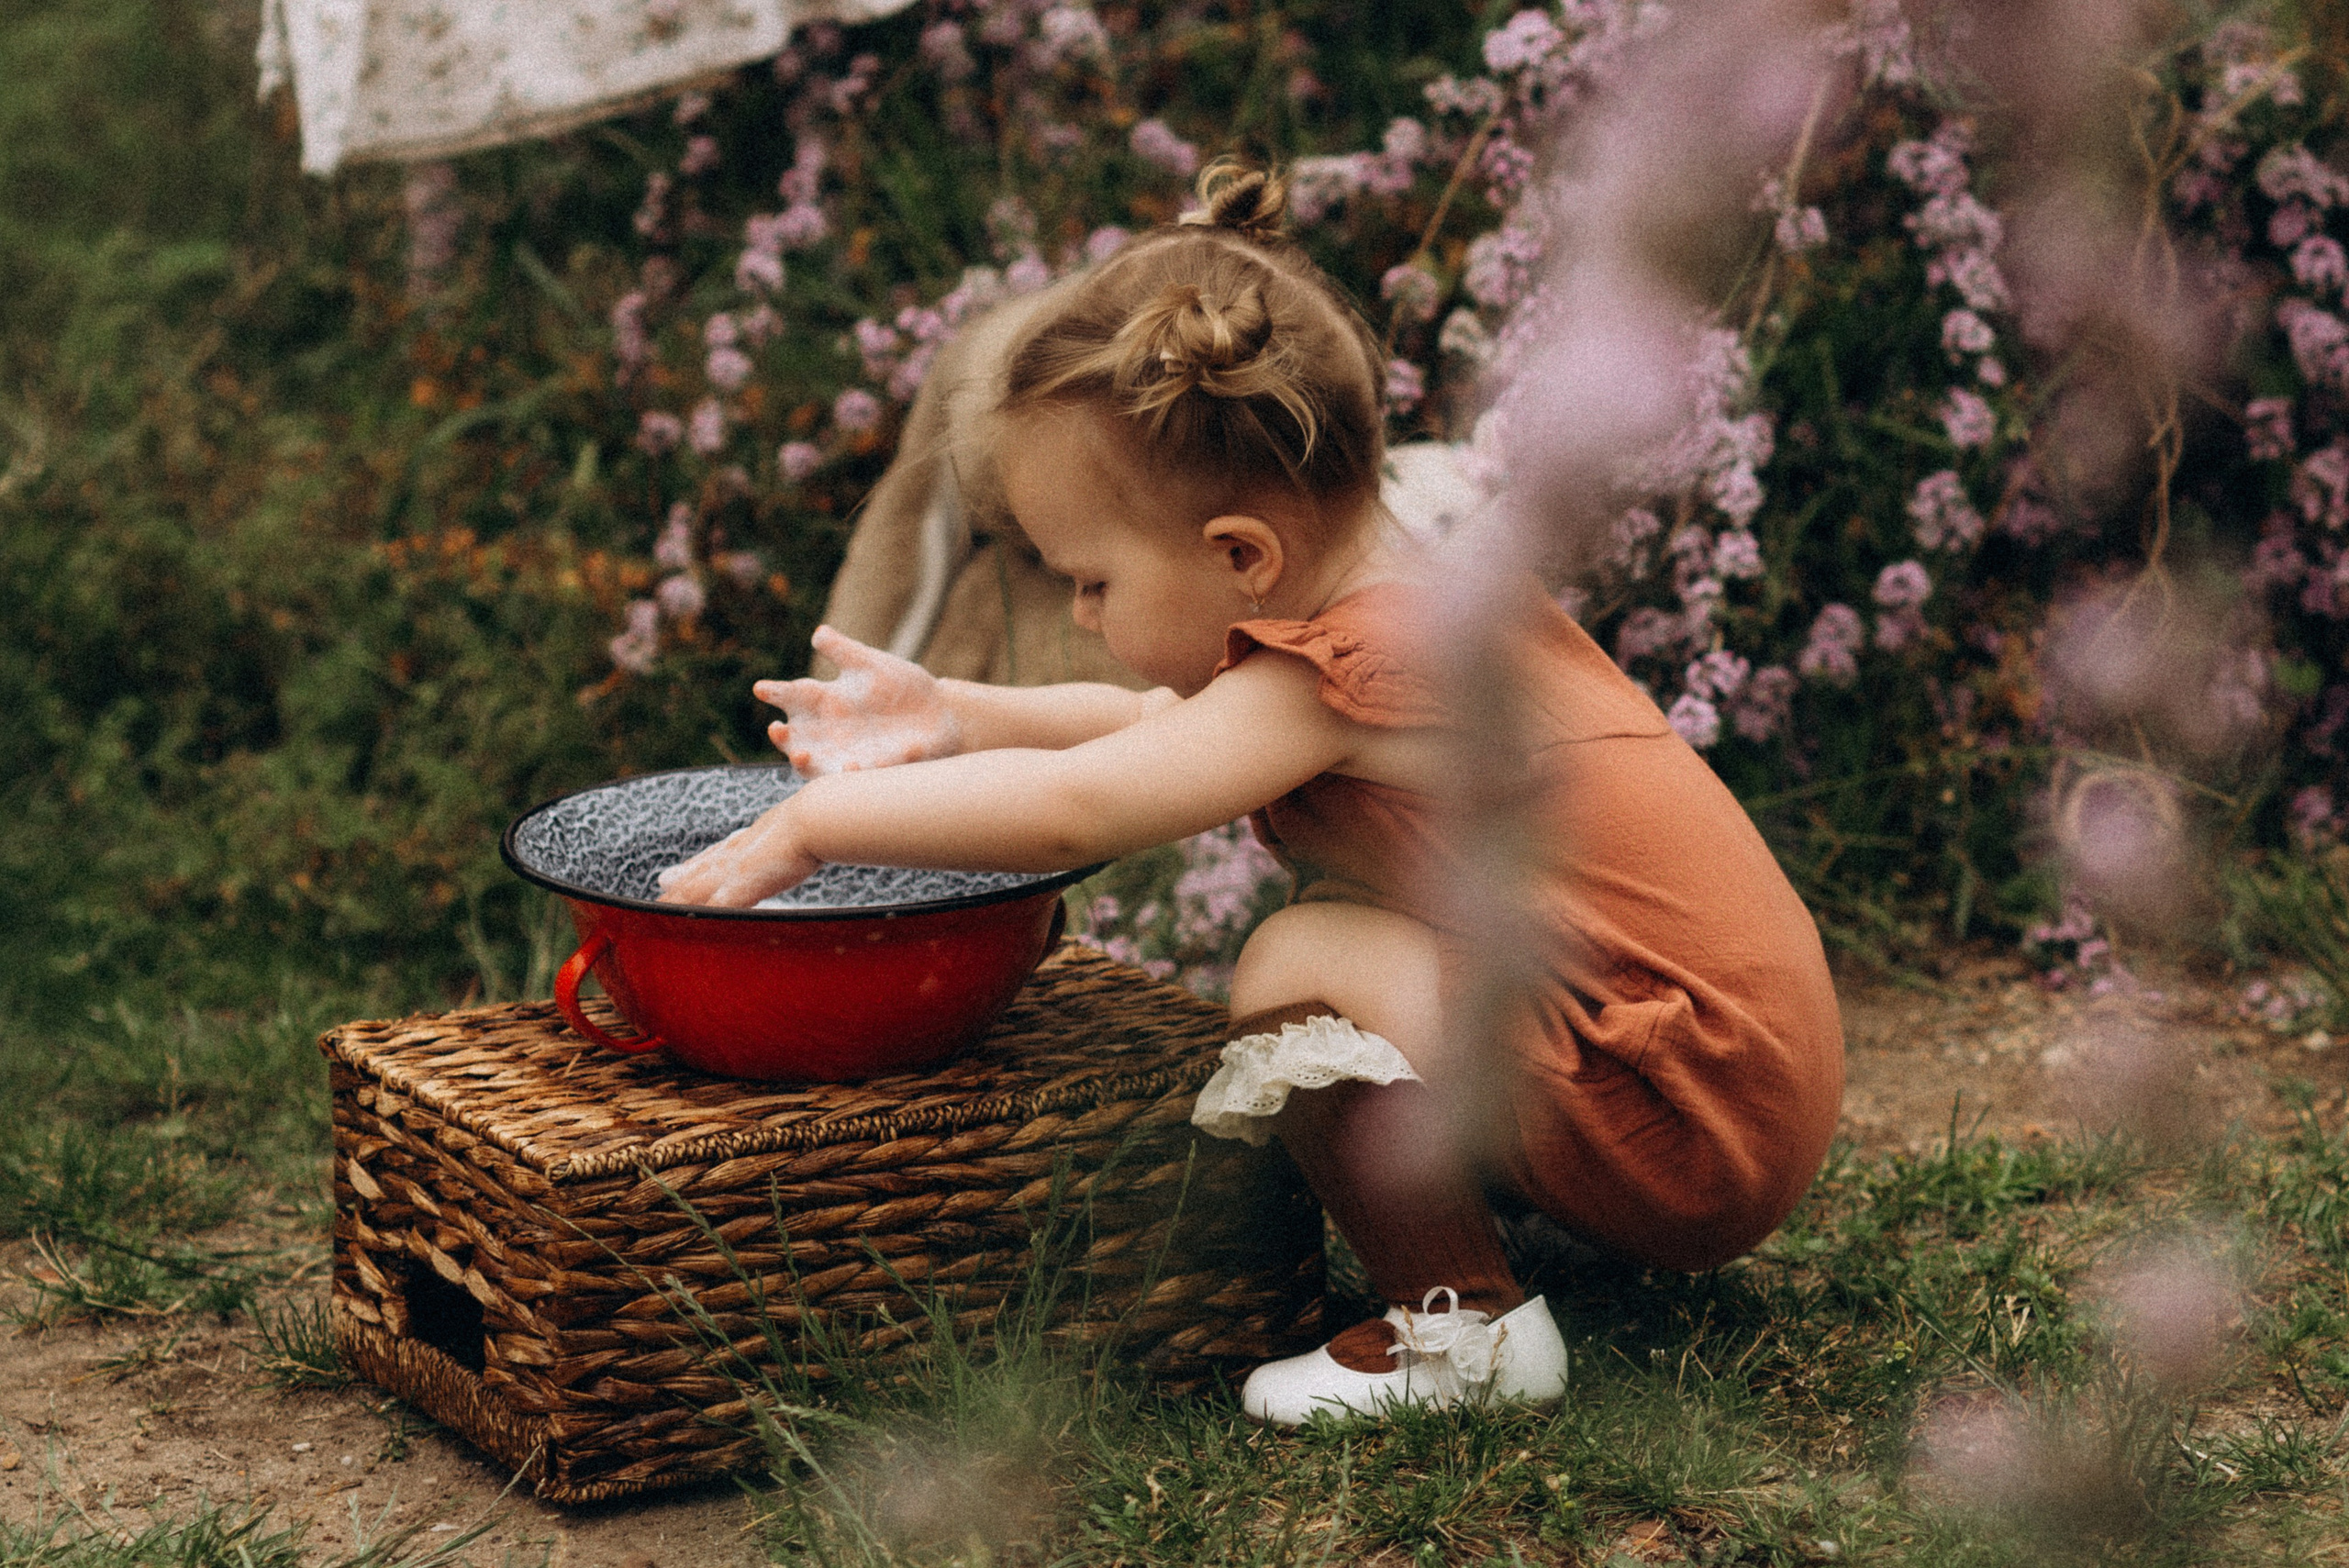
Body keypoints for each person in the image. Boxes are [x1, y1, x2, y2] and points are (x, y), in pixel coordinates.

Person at [658, 160, 1844, 1426]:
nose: (1081, 614)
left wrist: (813, 824)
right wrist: (959, 714)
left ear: (1240, 555)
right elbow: (1154, 728)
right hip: (1726, 1078)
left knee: (1298, 961)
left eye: (1093, 581)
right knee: (1349, 940)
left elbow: (1089, 806)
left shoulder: (1352, 666)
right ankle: (1493, 1218)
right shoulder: (1404, 615)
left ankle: (1472, 1331)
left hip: (1687, 1110)